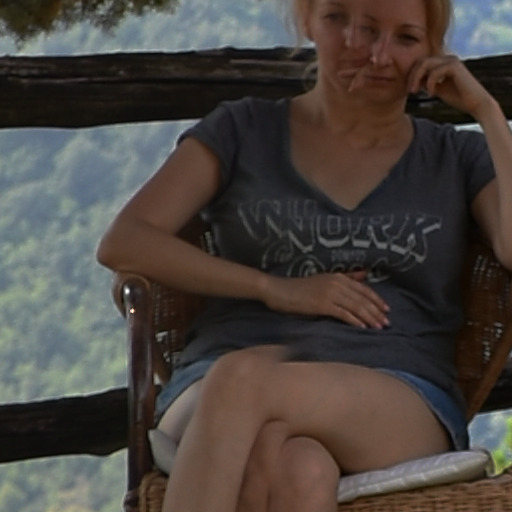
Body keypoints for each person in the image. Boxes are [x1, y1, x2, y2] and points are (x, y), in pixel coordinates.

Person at [97, 0, 512, 510]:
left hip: (393, 391)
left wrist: (487, 112)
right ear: (311, 22)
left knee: (243, 381)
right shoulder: (243, 130)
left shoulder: (456, 157)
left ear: (432, 51)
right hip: (214, 382)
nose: (379, 56)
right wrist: (274, 289)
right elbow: (125, 241)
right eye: (359, 28)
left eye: (406, 38)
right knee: (298, 468)